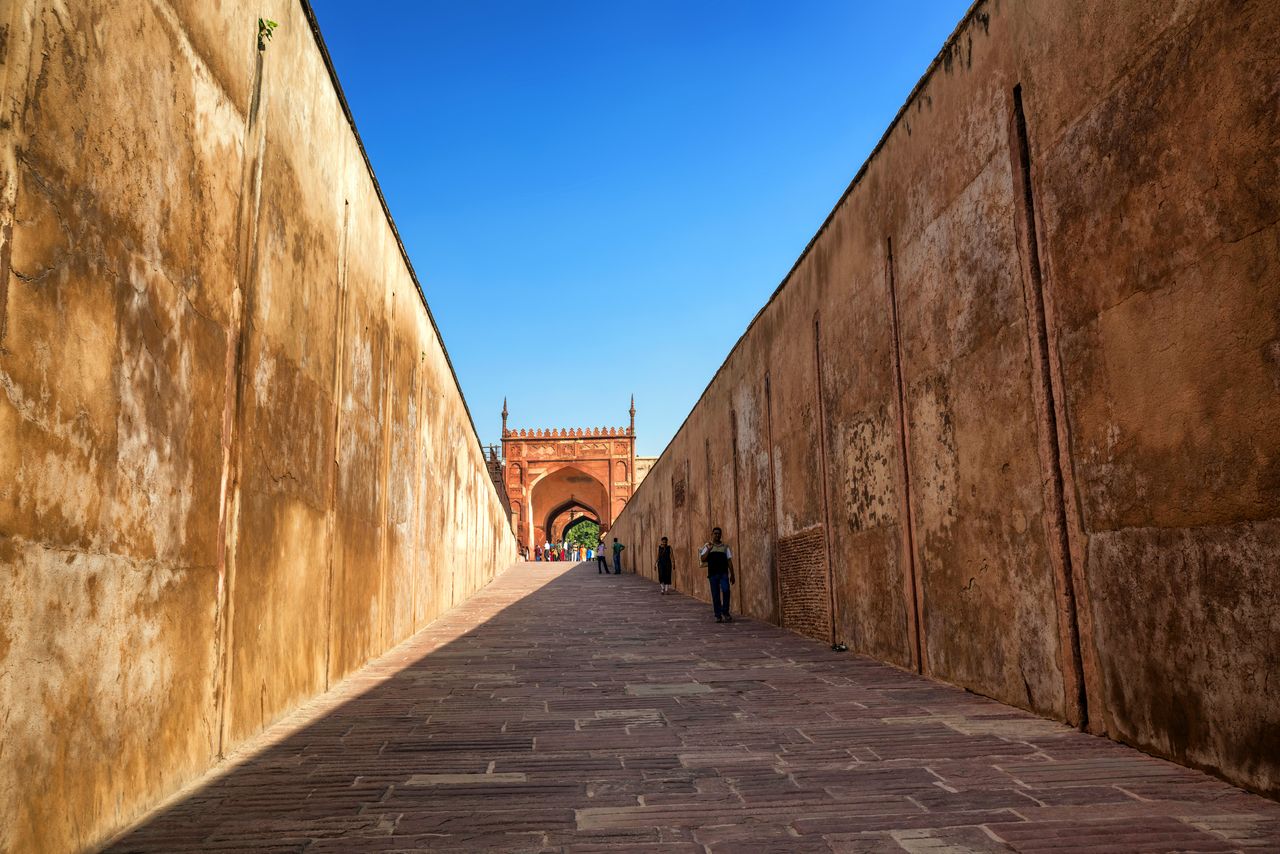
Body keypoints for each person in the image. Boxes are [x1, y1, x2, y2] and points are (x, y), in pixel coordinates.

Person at [699, 527, 735, 623]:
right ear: (712, 534)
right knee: (716, 595)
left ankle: (725, 611)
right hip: (713, 575)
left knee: (726, 590)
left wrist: (733, 574)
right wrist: (709, 550)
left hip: (723, 574)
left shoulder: (725, 547)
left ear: (721, 535)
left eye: (719, 533)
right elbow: (702, 559)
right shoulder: (708, 546)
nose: (717, 535)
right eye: (715, 533)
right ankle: (718, 615)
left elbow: (729, 561)